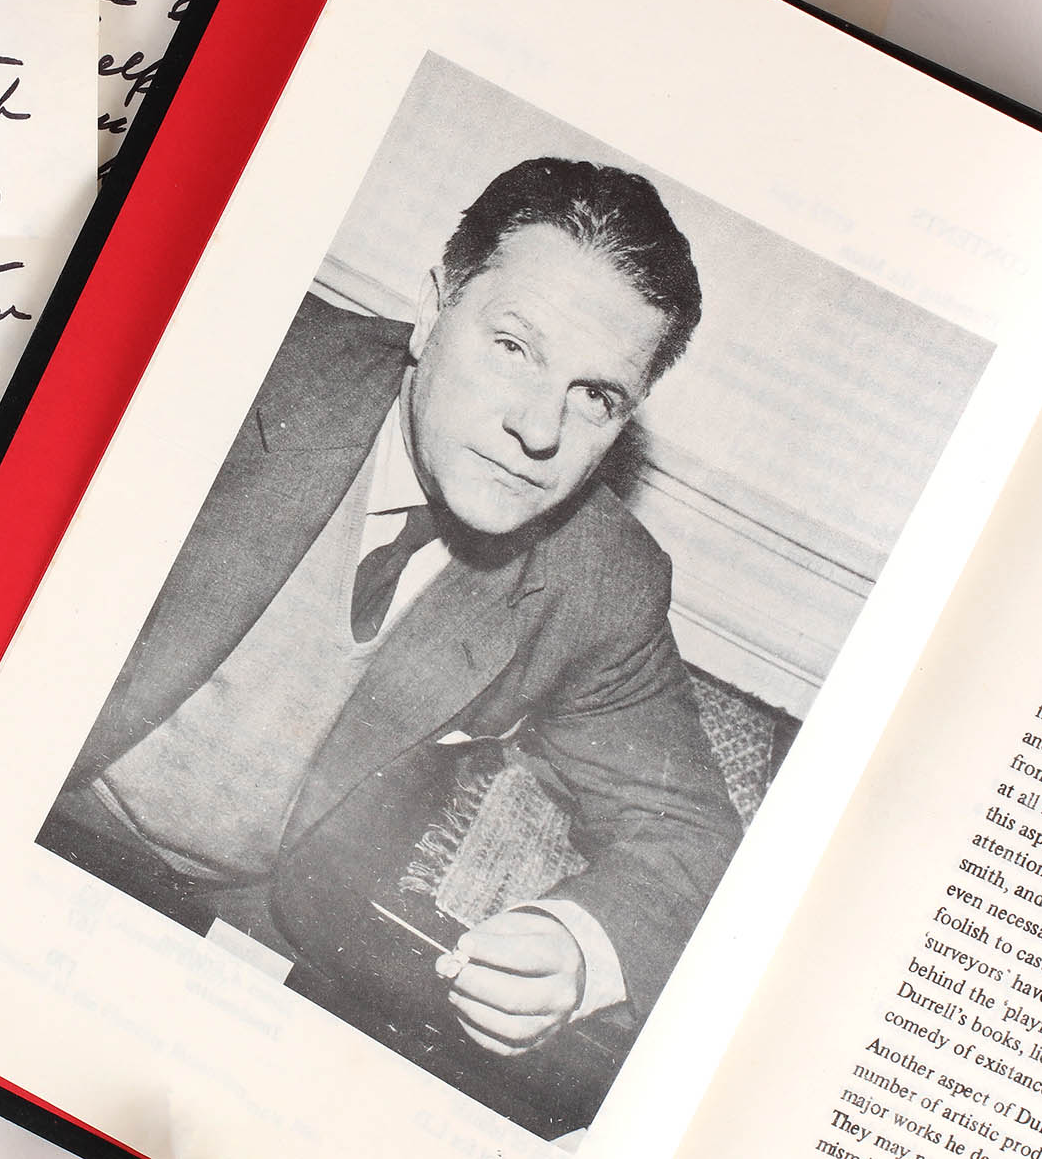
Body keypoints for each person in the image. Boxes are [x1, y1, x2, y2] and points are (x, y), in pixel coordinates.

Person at [39, 157, 743, 1123]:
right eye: (513, 347)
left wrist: (579, 944)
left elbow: (691, 834)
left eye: (596, 396)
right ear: (431, 310)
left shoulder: (600, 580)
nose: (540, 429)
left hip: (255, 930)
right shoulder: (234, 361)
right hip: (34, 806)